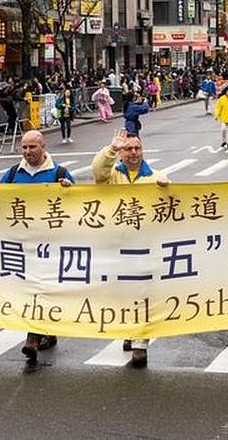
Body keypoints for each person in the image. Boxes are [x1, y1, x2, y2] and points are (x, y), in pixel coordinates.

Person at [0, 130, 75, 364]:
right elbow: (0, 200)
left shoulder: (60, 173)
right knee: (31, 289)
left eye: (32, 147)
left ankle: (33, 337)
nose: (27, 152)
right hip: (23, 244)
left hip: (50, 244)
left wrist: (68, 190)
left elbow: (78, 205)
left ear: (43, 146)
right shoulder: (14, 173)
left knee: (43, 288)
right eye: (24, 147)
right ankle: (43, 332)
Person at [92, 129, 170, 368]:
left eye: (137, 148)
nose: (133, 153)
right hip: (118, 245)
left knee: (143, 293)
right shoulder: (112, 176)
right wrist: (112, 148)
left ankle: (140, 344)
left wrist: (167, 192)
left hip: (146, 247)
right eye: (128, 149)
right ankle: (129, 330)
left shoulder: (157, 177)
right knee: (123, 293)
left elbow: (172, 212)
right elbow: (97, 171)